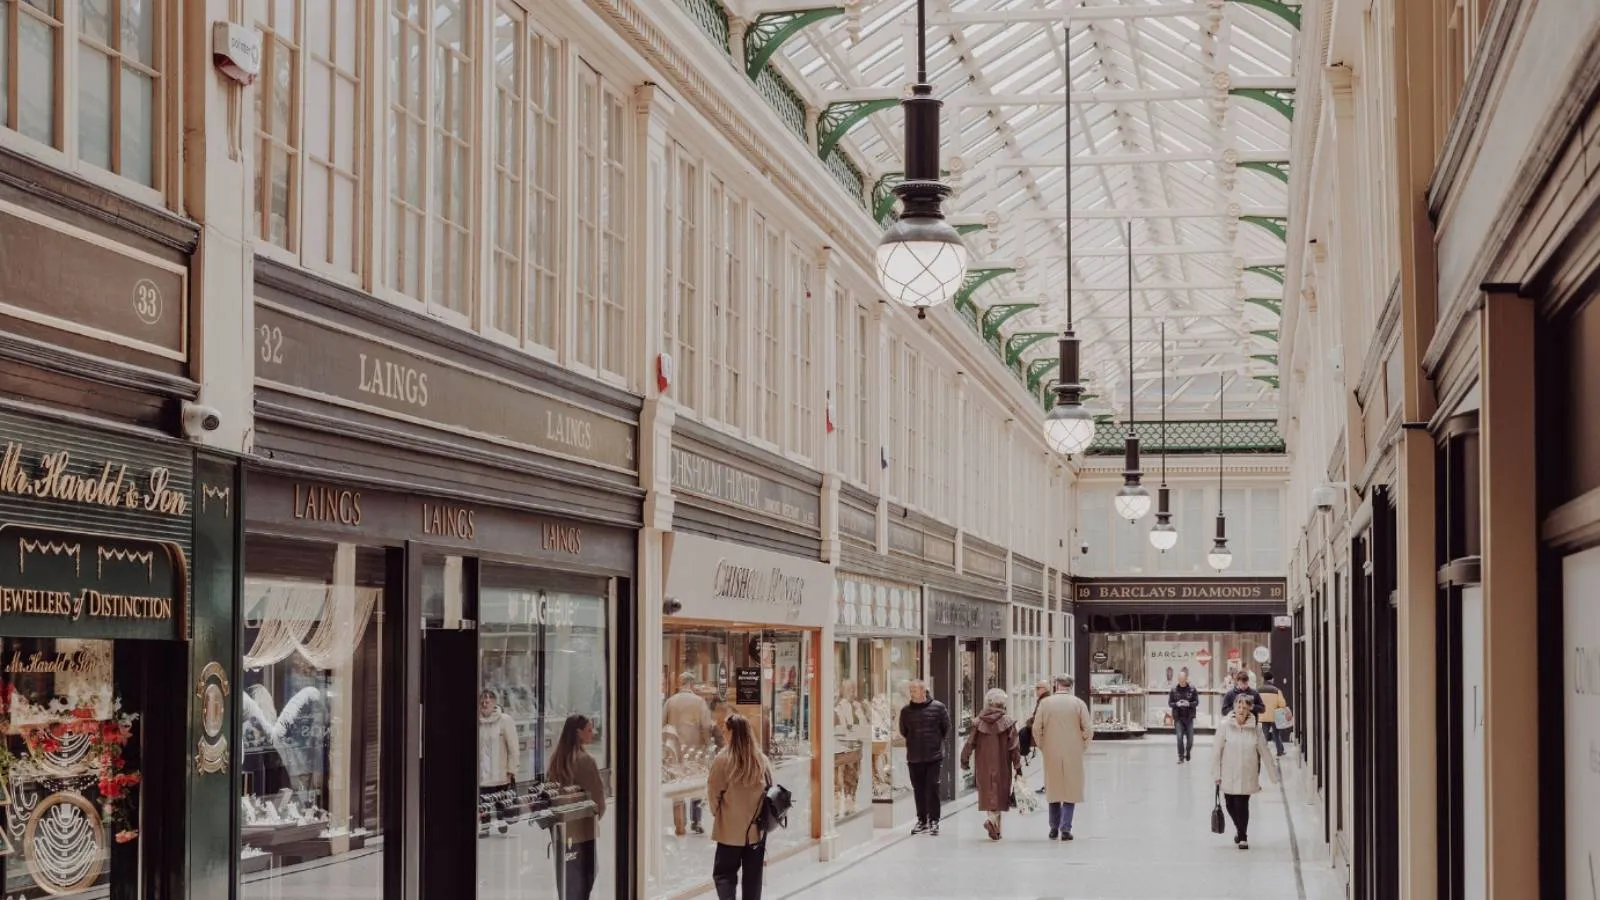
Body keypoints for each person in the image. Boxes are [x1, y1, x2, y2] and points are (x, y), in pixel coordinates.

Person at [707, 714, 772, 900]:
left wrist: (717, 814)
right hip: (755, 832)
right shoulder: (761, 760)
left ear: (732, 732)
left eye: (725, 731)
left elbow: (713, 794)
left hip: (729, 831)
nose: (724, 735)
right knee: (753, 878)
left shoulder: (723, 760)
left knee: (724, 874)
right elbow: (770, 791)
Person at [548, 714, 606, 898]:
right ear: (578, 733)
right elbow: (598, 801)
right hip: (582, 831)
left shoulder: (556, 760)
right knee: (584, 880)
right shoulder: (585, 761)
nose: (593, 733)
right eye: (589, 730)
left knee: (566, 882)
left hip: (561, 832)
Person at [1214, 695, 1280, 849]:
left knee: (1242, 804)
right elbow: (1216, 751)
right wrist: (1216, 775)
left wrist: (1273, 775)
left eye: (1244, 707)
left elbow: (1264, 751)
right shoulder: (1224, 726)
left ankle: (1243, 836)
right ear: (1234, 708)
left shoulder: (1255, 728)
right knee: (1230, 804)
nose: (1241, 710)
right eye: (1238, 707)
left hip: (1247, 773)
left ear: (1249, 709)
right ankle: (1239, 829)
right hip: (1228, 773)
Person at [1033, 674, 1092, 841]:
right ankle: (1066, 828)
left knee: (1054, 788)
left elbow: (1037, 728)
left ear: (1056, 685)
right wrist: (1082, 745)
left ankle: (1053, 827)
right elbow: (1088, 728)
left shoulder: (1045, 704)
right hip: (1073, 751)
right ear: (1070, 686)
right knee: (1070, 789)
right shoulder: (1078, 704)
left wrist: (1042, 745)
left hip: (1051, 750)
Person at [959, 688, 1023, 841]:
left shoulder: (978, 722)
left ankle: (996, 828)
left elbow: (970, 743)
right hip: (1002, 764)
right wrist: (1018, 766)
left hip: (984, 764)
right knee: (999, 794)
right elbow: (1014, 746)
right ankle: (993, 822)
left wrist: (964, 759)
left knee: (989, 793)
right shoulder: (1007, 722)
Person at [898, 679, 951, 835]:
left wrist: (935, 742)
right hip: (914, 756)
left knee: (932, 787)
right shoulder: (906, 711)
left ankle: (934, 820)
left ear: (923, 691)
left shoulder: (939, 708)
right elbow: (903, 731)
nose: (912, 693)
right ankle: (922, 820)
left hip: (933, 756)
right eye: (911, 690)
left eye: (914, 690)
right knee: (919, 789)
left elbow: (946, 728)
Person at [664, 673, 714, 834]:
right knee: (695, 785)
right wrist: (707, 746)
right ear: (692, 684)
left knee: (677, 787)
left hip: (675, 752)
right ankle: (696, 821)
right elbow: (706, 727)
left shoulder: (670, 702)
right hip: (695, 751)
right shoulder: (699, 702)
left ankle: (679, 825)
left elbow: (662, 724)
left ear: (680, 684)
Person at [478, 689, 520, 835]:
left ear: (494, 702)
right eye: (482, 701)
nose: (485, 703)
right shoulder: (476, 721)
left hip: (500, 773)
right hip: (482, 774)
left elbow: (513, 748)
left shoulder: (505, 721)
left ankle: (502, 820)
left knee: (499, 802)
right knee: (483, 802)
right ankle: (485, 827)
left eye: (488, 701)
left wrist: (512, 770)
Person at [1168, 669, 1200, 764]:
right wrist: (1176, 704)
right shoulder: (1173, 690)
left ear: (1186, 678)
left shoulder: (1192, 689)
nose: (1181, 681)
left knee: (1190, 739)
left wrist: (1189, 704)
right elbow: (1170, 703)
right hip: (1178, 718)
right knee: (1179, 737)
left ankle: (1188, 751)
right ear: (1178, 679)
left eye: (1183, 679)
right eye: (1180, 679)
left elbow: (1197, 702)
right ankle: (1181, 757)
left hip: (1189, 717)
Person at [1257, 673, 1288, 757]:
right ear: (1271, 679)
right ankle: (1280, 751)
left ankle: (1262, 753)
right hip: (1274, 716)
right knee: (1276, 734)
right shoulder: (1277, 690)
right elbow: (1282, 704)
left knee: (1264, 735)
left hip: (1263, 716)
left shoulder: (1258, 690)